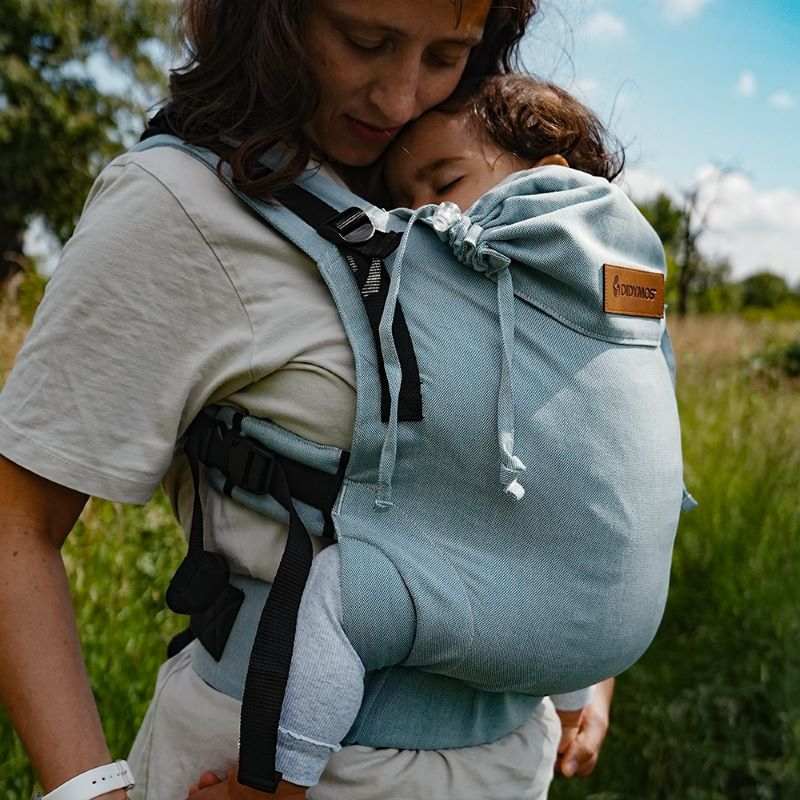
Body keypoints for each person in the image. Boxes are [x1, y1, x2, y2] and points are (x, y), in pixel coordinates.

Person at [0, 3, 615, 799]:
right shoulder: (178, 203)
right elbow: (17, 528)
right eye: (366, 42)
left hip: (506, 764)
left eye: (447, 54)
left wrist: (586, 671)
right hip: (256, 762)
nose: (399, 99)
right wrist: (90, 791)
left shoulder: (481, 192)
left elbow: (576, 463)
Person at [183, 73, 629, 799]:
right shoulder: (621, 315)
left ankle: (271, 787)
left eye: (444, 181)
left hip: (496, 653)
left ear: (549, 184)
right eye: (400, 201)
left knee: (337, 595)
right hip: (538, 611)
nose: (418, 216)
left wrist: (589, 689)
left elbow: (611, 523)